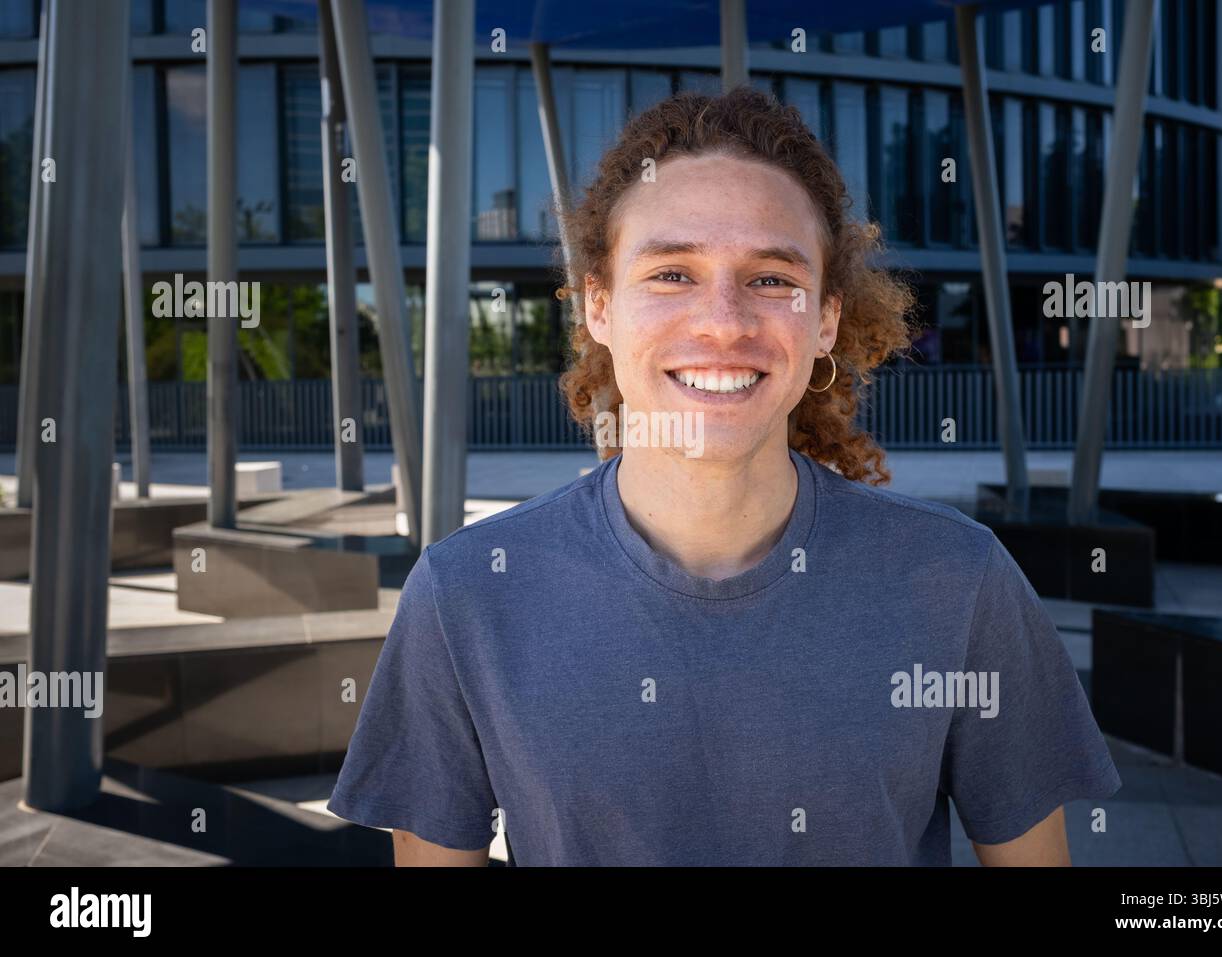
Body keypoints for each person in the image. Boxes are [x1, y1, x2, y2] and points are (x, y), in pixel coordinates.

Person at [326, 87, 1121, 866]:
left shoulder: (960, 582)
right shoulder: (466, 595)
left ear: (827, 320)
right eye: (672, 272)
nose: (724, 321)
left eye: (772, 278)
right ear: (598, 306)